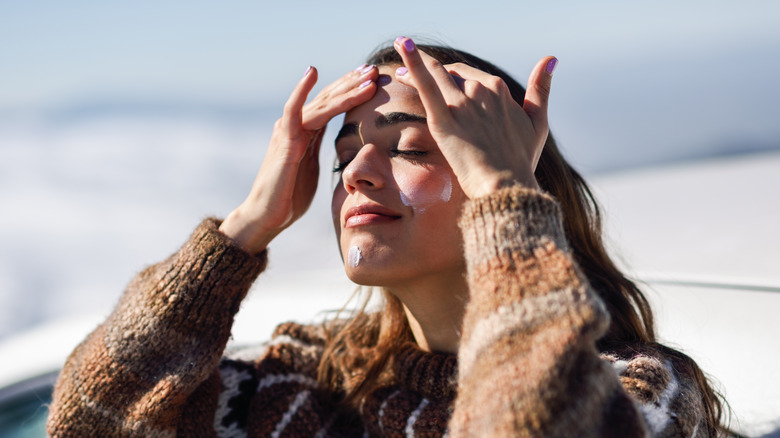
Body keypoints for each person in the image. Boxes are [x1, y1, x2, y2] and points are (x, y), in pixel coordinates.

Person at [46, 37, 728, 437]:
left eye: (406, 147)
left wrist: (503, 198)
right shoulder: (301, 379)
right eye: (342, 157)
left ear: (511, 187)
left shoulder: (644, 392)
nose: (359, 174)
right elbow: (90, 421)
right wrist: (245, 227)